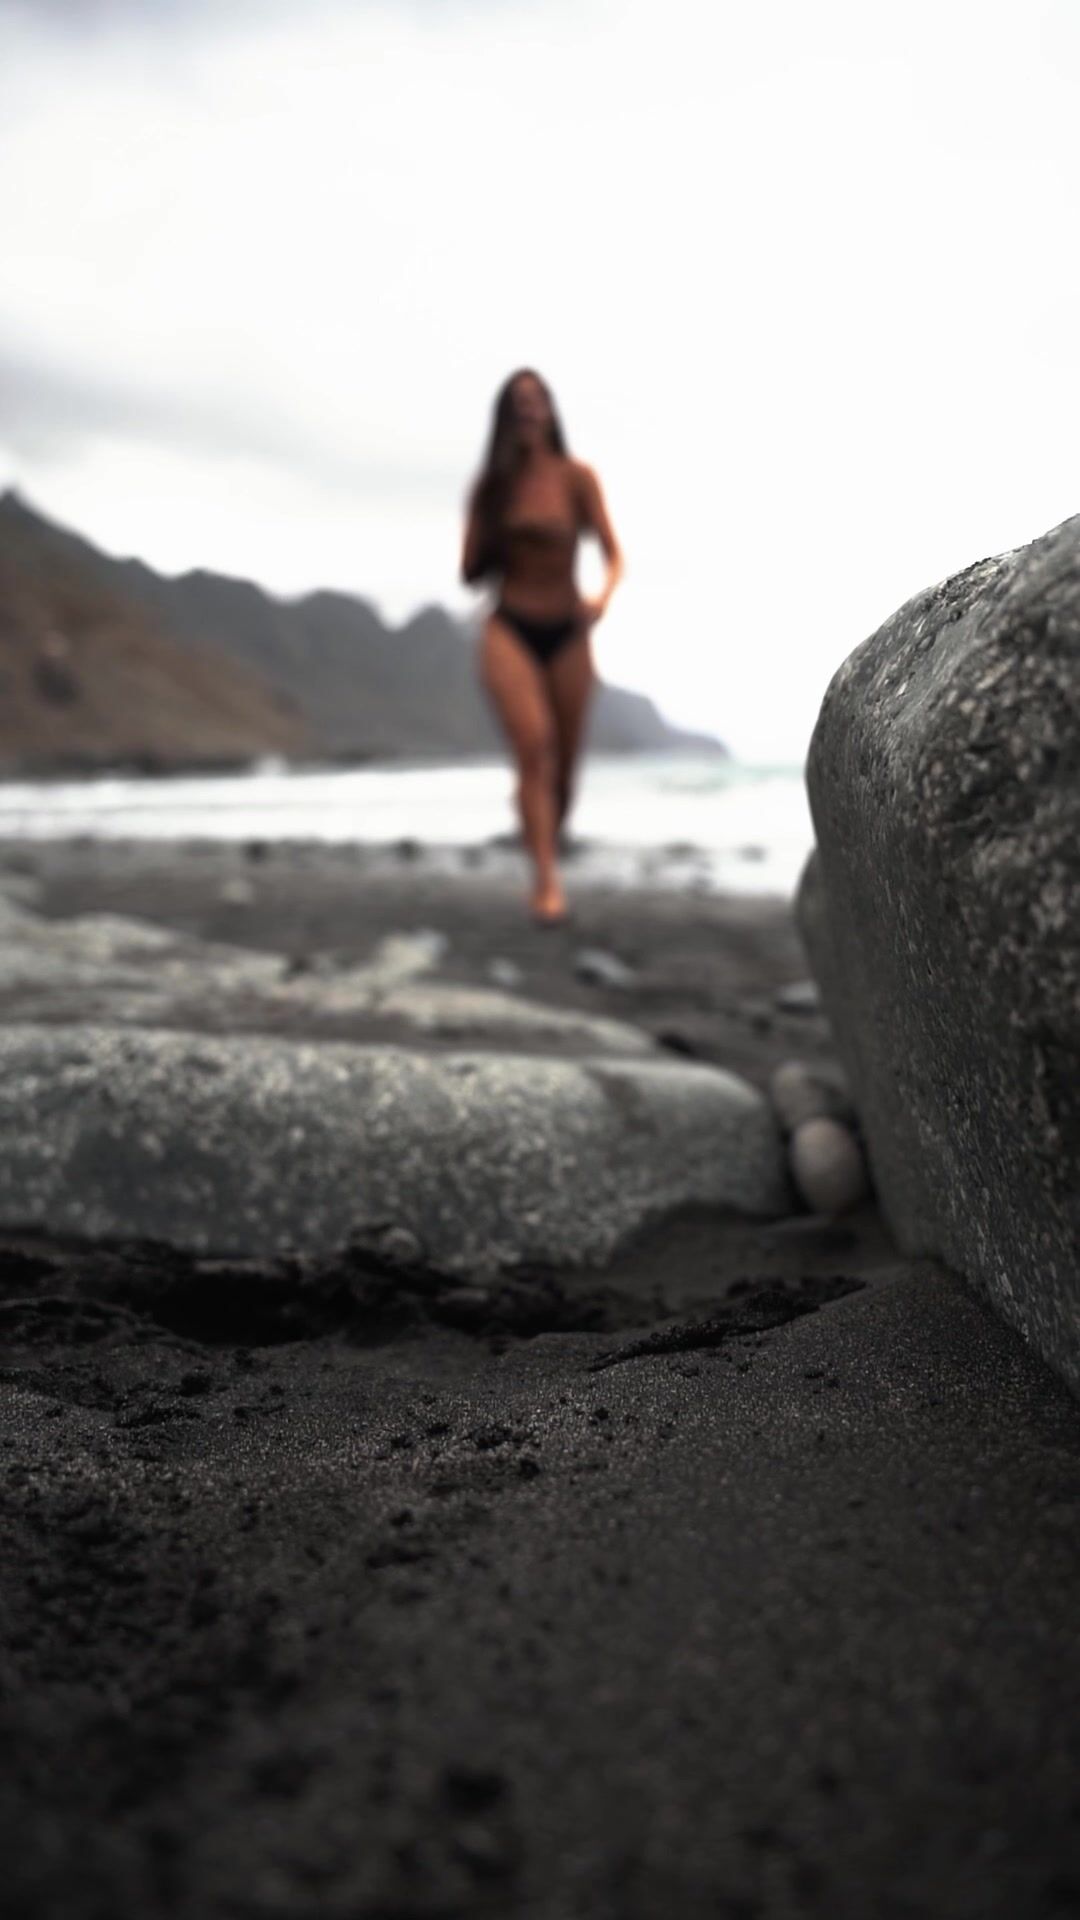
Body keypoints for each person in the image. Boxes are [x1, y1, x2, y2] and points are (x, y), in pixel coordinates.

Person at [461, 368, 624, 922]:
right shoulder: (492, 486)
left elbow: (614, 554)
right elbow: (468, 571)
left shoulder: (577, 478)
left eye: (537, 401)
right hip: (508, 627)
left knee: (565, 773)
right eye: (518, 403)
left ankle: (542, 839)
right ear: (505, 418)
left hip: (569, 631)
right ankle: (546, 883)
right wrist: (495, 517)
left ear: (551, 411)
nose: (529, 410)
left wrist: (602, 597)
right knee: (535, 746)